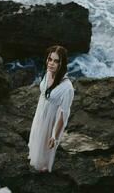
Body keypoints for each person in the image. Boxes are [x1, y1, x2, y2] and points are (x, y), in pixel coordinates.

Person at [27, 45, 75, 173]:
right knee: (36, 140)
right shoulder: (48, 73)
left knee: (45, 148)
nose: (51, 63)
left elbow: (63, 114)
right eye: (50, 59)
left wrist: (55, 135)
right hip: (40, 113)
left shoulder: (67, 88)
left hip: (50, 120)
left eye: (56, 61)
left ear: (62, 63)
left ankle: (44, 167)